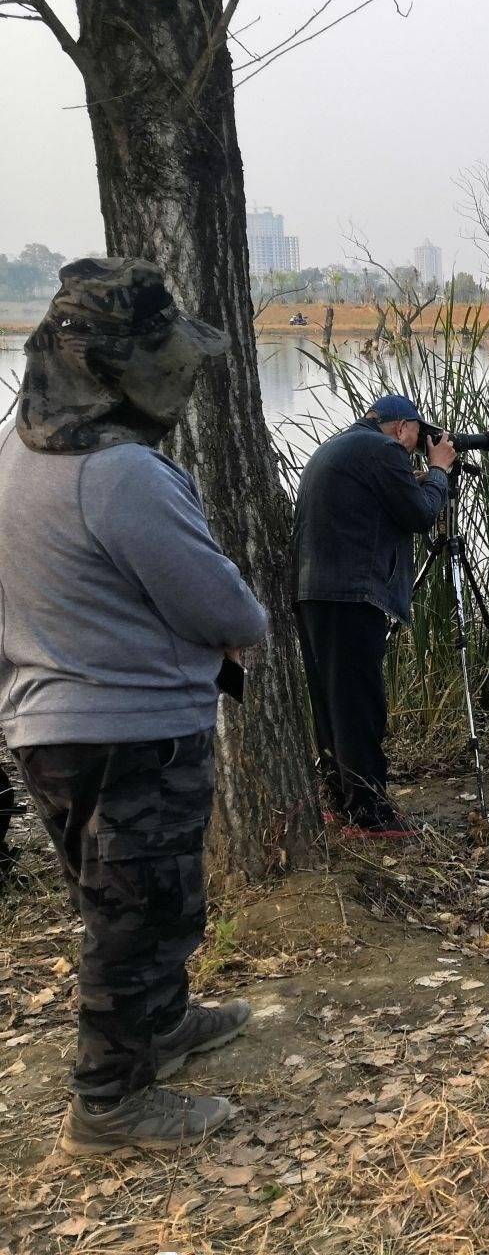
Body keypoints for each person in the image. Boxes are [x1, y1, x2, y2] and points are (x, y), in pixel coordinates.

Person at [0, 258, 267, 1154]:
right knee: (140, 914)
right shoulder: (122, 477)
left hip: (51, 727)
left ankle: (163, 1023)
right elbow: (224, 610)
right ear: (120, 368)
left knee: (123, 897)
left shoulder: (18, 451)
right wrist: (241, 618)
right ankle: (109, 1101)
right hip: (131, 730)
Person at [292, 393, 454, 835]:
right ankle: (371, 815)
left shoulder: (341, 445)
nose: (415, 446)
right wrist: (439, 469)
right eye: (417, 437)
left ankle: (342, 804)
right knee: (360, 703)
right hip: (350, 595)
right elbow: (420, 516)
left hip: (314, 593)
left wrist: (411, 478)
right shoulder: (382, 449)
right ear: (402, 428)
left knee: (332, 703)